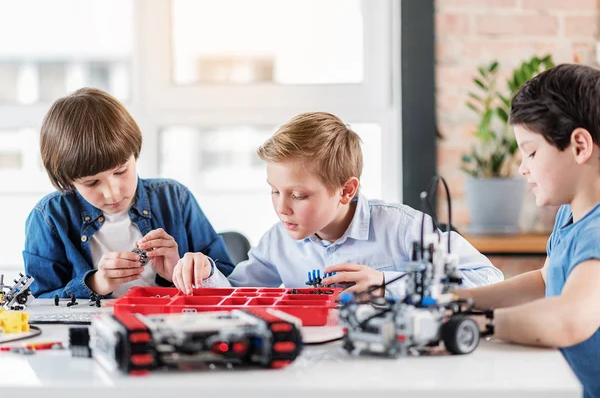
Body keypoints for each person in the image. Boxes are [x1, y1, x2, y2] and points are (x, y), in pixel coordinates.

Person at [171, 112, 502, 296]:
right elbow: (236, 295)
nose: (282, 208)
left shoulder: (402, 228)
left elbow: (489, 278)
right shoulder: (278, 240)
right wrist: (205, 271)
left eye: (298, 195)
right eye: (274, 191)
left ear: (346, 191)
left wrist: (387, 283)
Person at [452, 64, 600, 397]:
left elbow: (569, 319)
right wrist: (459, 301)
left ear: (579, 145)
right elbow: (544, 281)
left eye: (531, 151)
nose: (522, 167)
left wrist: (479, 325)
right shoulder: (570, 215)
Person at [23, 87, 234, 298]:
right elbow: (40, 299)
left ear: (135, 153)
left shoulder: (175, 199)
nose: (112, 194)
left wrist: (183, 272)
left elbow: (229, 281)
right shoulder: (48, 217)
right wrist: (96, 283)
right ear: (67, 181)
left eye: (121, 171)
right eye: (91, 183)